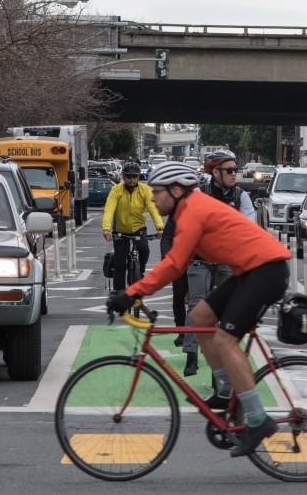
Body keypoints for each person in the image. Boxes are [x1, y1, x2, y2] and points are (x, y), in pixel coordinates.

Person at [107, 161, 291, 458]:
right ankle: (225, 389)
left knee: (224, 340)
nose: (152, 198)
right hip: (249, 271)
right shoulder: (187, 209)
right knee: (200, 317)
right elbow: (176, 263)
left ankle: (258, 420)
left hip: (266, 271)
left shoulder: (193, 210)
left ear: (176, 191)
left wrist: (131, 293)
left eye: (157, 192)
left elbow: (175, 264)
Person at [178, 150, 250, 375]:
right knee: (197, 304)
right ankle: (191, 354)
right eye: (229, 170)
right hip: (200, 261)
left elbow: (248, 227)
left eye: (235, 170)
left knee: (228, 308)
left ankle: (225, 356)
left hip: (227, 261)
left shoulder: (241, 197)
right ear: (214, 172)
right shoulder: (199, 194)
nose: (234, 174)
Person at [101, 161, 164, 287]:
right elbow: (109, 209)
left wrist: (160, 227)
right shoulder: (116, 190)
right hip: (120, 230)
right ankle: (119, 295)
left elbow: (153, 209)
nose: (131, 179)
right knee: (120, 263)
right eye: (128, 176)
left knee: (144, 249)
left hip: (138, 228)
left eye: (134, 176)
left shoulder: (145, 190)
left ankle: (139, 272)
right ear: (123, 177)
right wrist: (106, 229)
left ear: (138, 177)